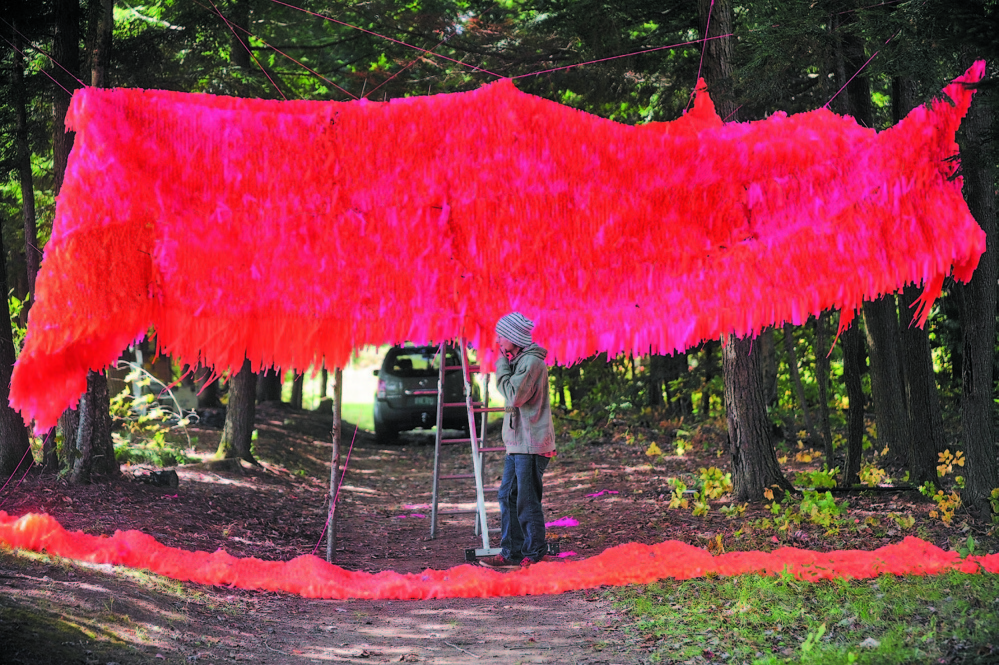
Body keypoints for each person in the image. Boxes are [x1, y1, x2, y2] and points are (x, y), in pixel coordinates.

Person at [478, 312, 557, 570]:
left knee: (526, 498)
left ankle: (535, 552)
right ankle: (512, 550)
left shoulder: (532, 363)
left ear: (513, 337)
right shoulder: (521, 361)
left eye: (501, 335)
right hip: (518, 443)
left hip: (531, 444)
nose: (498, 341)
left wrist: (501, 365)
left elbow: (514, 395)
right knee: (507, 495)